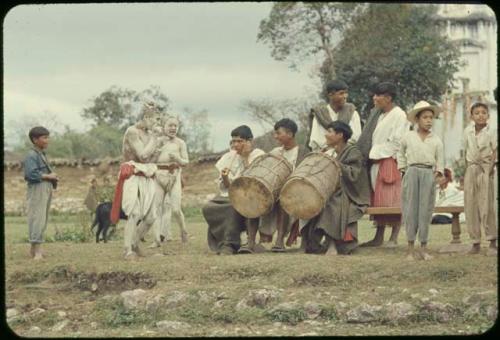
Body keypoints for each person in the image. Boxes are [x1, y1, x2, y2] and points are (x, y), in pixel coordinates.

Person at [300, 121, 370, 255]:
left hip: (351, 193)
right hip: (330, 190)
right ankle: (310, 242)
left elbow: (353, 175)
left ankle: (332, 244)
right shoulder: (328, 151)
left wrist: (334, 163)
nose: (326, 135)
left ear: (340, 135)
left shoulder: (353, 152)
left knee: (333, 201)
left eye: (329, 131)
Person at [357, 82, 410, 248]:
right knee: (378, 200)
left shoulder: (399, 115)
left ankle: (393, 238)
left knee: (392, 199)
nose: (374, 98)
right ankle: (378, 237)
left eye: (378, 95)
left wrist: (375, 153)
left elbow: (397, 142)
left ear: (388, 98)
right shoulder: (377, 115)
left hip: (390, 160)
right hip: (375, 162)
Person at [110, 102, 163, 259]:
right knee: (134, 213)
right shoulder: (132, 131)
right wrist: (155, 138)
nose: (157, 124)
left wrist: (157, 145)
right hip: (133, 174)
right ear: (146, 117)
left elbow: (152, 159)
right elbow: (143, 155)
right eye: (156, 120)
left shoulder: (149, 135)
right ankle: (127, 249)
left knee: (151, 217)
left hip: (147, 175)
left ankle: (134, 243)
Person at [203, 125, 265, 255]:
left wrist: (246, 155)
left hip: (251, 197)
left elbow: (255, 179)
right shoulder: (229, 157)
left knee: (233, 206)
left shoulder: (258, 154)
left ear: (249, 141)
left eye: (239, 141)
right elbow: (226, 187)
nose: (235, 144)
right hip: (230, 195)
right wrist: (225, 177)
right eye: (233, 141)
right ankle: (224, 241)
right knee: (209, 207)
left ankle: (229, 244)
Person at [253, 118, 309, 253]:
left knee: (282, 199)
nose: (275, 136)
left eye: (278, 133)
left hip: (295, 191)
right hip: (274, 191)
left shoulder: (303, 152)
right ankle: (252, 241)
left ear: (290, 134)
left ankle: (279, 241)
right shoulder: (275, 152)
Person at [398, 101, 444, 260]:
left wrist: (438, 174)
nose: (429, 120)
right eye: (425, 117)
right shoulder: (408, 137)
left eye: (431, 117)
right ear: (417, 119)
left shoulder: (436, 140)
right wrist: (403, 170)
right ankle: (410, 249)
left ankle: (423, 248)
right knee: (410, 210)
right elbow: (400, 153)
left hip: (427, 173)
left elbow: (440, 160)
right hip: (412, 172)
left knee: (425, 210)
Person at [463, 102, 497, 256]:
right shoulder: (467, 131)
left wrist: (490, 169)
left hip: (486, 169)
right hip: (471, 168)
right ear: (471, 116)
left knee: (487, 205)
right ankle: (475, 242)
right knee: (471, 205)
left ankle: (492, 241)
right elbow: (465, 152)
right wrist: (468, 171)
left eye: (484, 112)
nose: (480, 115)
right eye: (477, 113)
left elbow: (495, 151)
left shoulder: (492, 131)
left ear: (488, 116)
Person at [150, 115, 189, 248]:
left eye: (175, 126)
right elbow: (150, 160)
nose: (173, 128)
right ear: (164, 127)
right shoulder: (158, 141)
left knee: (176, 209)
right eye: (170, 125)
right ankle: (156, 239)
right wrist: (156, 152)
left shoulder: (180, 143)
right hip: (159, 175)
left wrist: (177, 158)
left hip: (174, 175)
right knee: (157, 208)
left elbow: (186, 161)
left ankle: (183, 231)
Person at [23, 126, 59, 260]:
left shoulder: (41, 154)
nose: (47, 140)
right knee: (37, 217)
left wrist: (52, 177)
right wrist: (49, 176)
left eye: (47, 137)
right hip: (38, 188)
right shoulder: (31, 155)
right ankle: (37, 251)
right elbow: (30, 174)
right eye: (44, 138)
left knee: (42, 218)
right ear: (35, 139)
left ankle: (34, 249)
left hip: (44, 187)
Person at [306, 79, 362, 152]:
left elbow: (356, 138)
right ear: (330, 95)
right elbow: (315, 141)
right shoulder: (319, 114)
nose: (345, 96)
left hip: (347, 154)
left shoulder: (352, 112)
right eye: (341, 93)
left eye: (346, 93)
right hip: (324, 155)